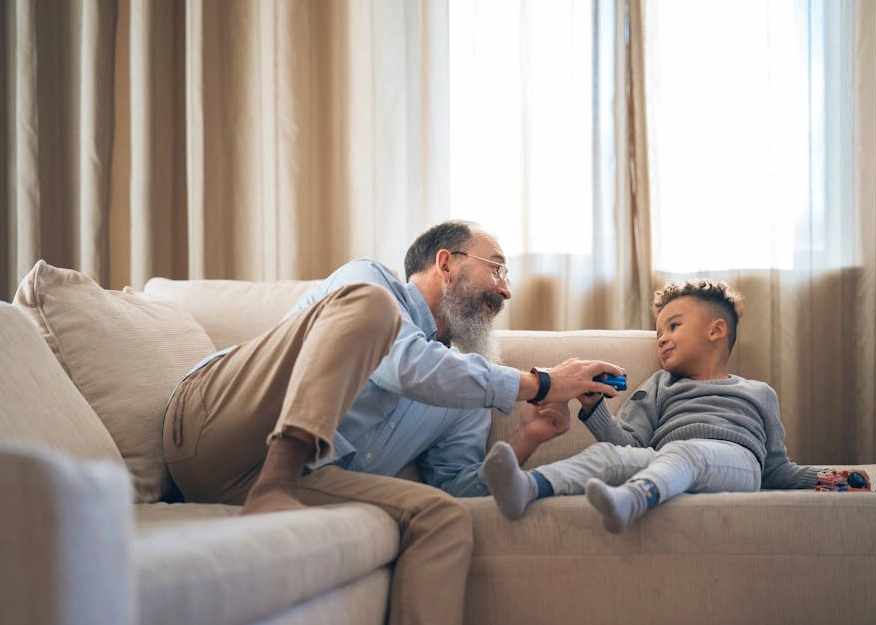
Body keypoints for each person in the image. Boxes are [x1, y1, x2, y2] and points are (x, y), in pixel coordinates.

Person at [161, 219, 625, 625]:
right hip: (214, 425)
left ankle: (278, 484)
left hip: (290, 477)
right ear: (446, 263)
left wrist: (526, 438)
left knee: (442, 518)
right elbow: (404, 365)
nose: (505, 290)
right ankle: (275, 484)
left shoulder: (468, 390)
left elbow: (461, 492)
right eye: (498, 268)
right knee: (371, 308)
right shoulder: (371, 283)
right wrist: (541, 383)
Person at [481, 278, 823, 533]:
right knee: (608, 458)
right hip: (669, 457)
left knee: (687, 454)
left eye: (674, 326)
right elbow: (629, 445)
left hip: (736, 464)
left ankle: (633, 499)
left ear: (716, 331)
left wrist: (822, 478)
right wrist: (594, 408)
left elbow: (776, 468)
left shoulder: (758, 392)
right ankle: (526, 487)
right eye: (659, 331)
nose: (661, 338)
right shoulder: (659, 385)